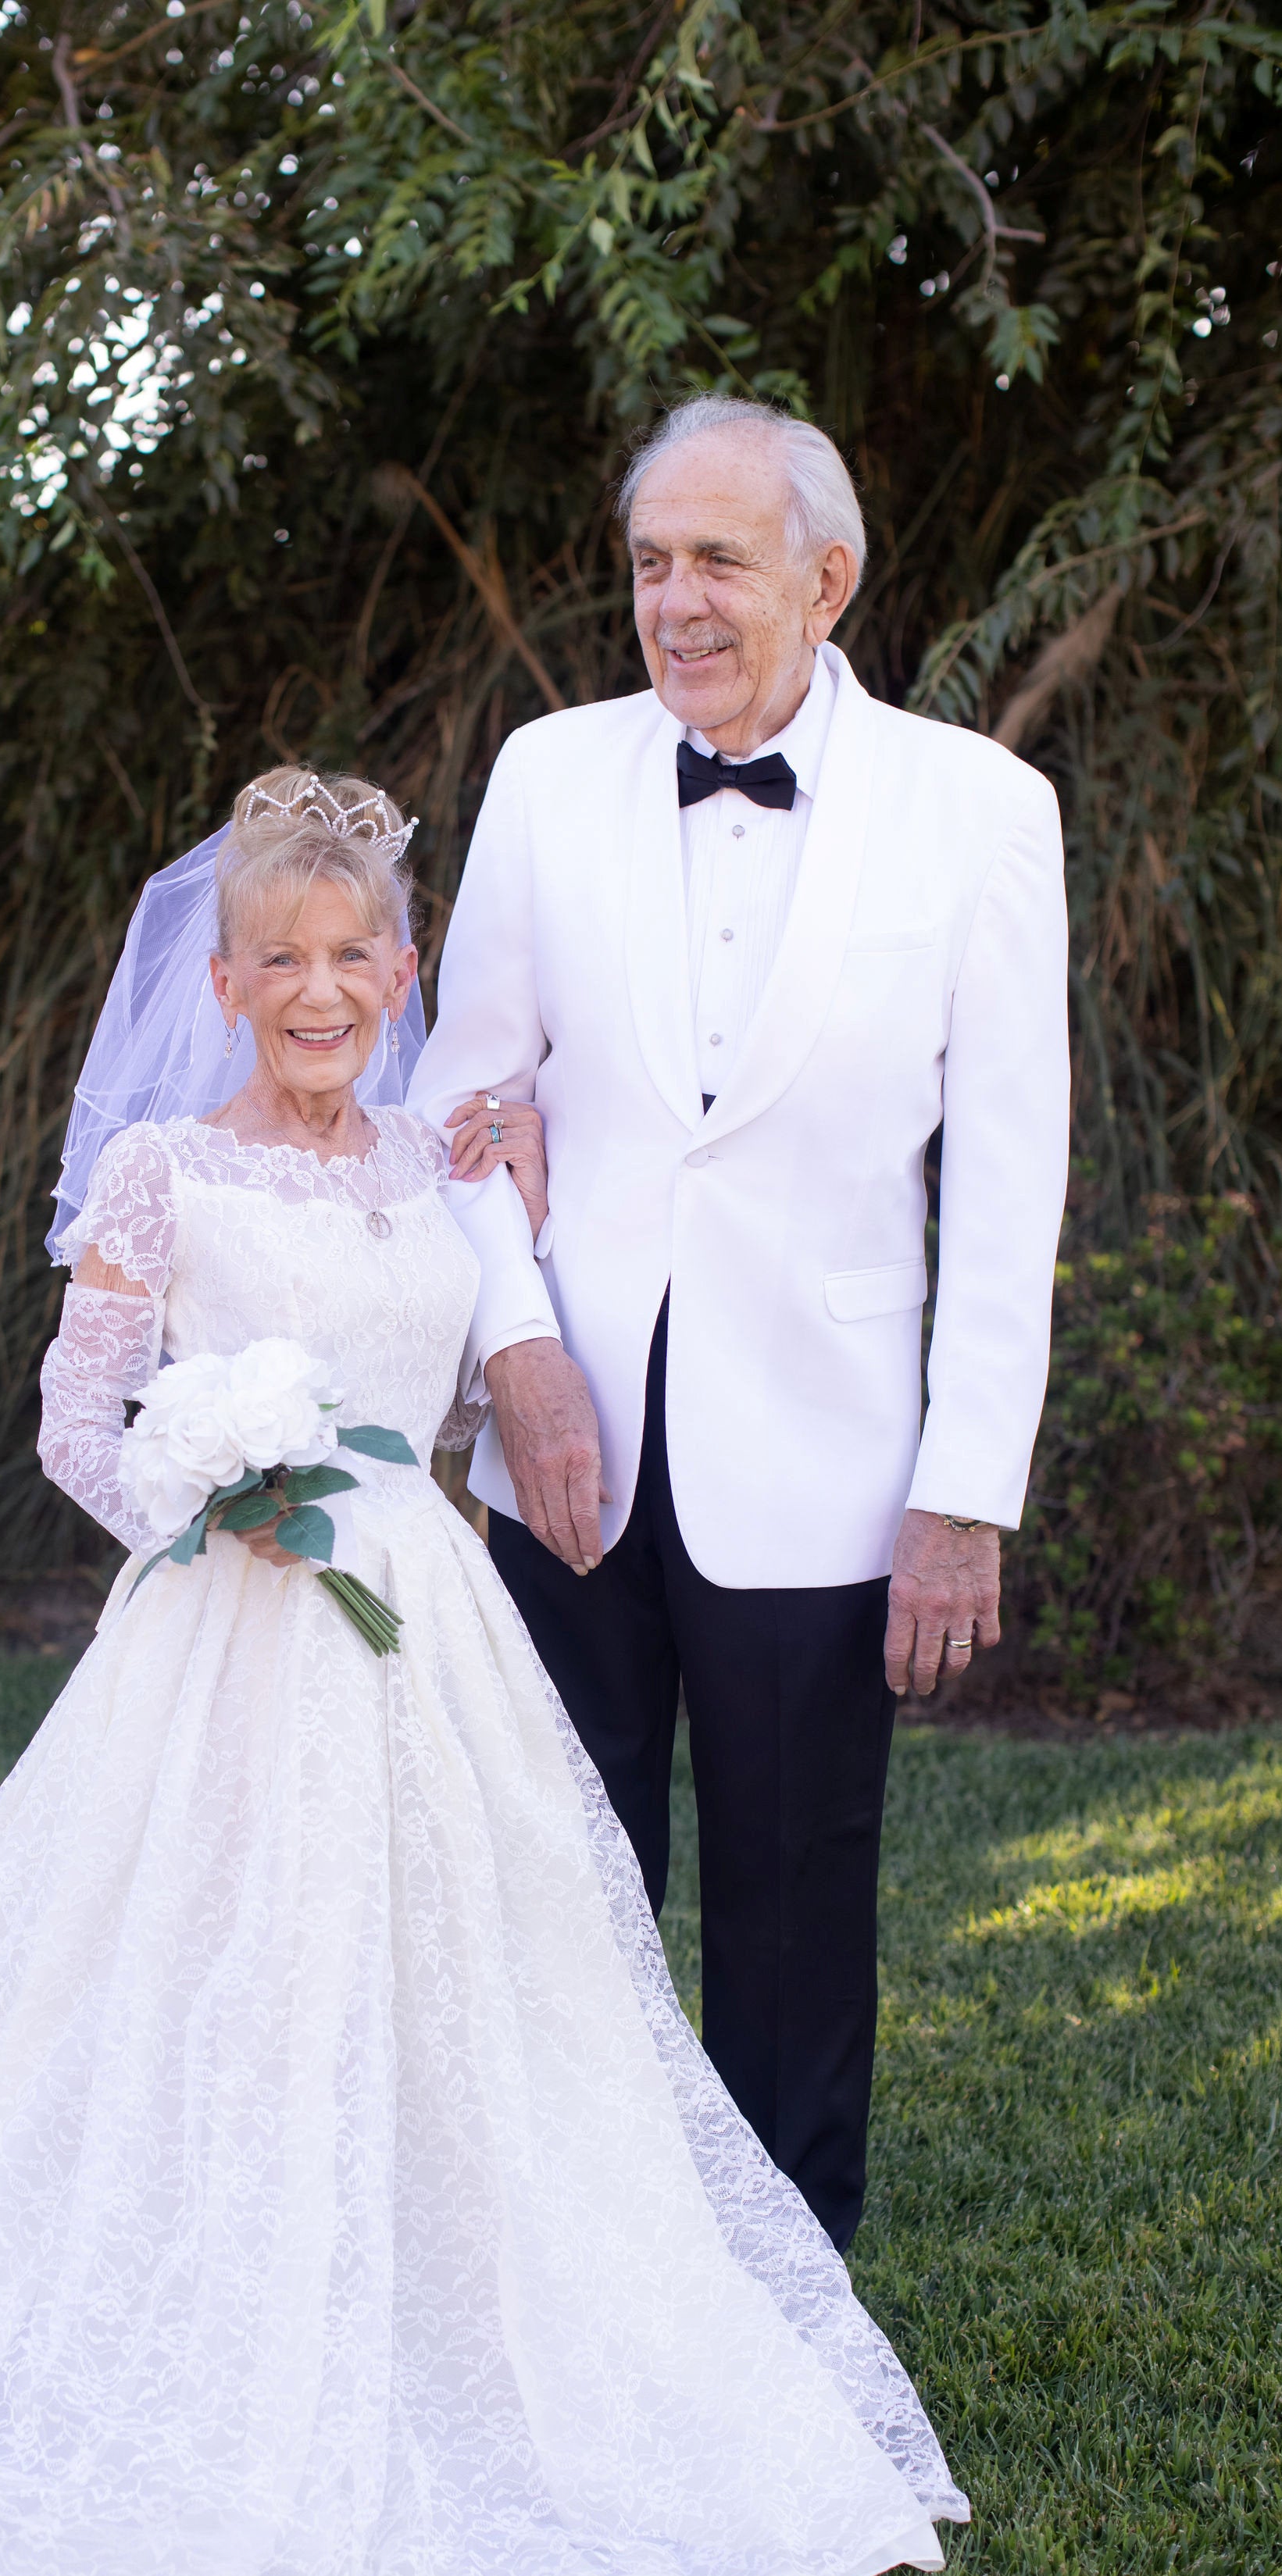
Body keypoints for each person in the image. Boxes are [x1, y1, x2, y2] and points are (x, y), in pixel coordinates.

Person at [0, 766, 966, 2576]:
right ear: (227, 972)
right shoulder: (163, 1174)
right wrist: (206, 1495)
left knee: (469, 1964)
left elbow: (614, 1237)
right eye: (284, 958)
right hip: (230, 1624)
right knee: (201, 1967)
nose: (322, 988)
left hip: (428, 1627)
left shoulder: (453, 1154)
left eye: (356, 955)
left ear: (404, 967)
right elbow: (76, 1421)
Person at [410, 395, 1070, 2257]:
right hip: (568, 1450)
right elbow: (467, 1105)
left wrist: (964, 1494)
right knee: (561, 1890)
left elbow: (1012, 1185)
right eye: (646, 564)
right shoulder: (548, 774)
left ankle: (789, 2330)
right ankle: (571, 2282)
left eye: (717, 560)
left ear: (827, 576)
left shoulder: (979, 813)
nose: (674, 602)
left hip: (831, 1458)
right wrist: (518, 1360)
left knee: (793, 1910)